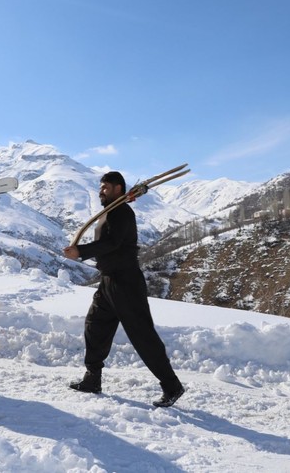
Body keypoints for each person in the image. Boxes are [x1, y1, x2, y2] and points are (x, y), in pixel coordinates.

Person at [63, 171, 185, 408]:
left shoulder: (122, 212)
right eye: (100, 187)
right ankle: (92, 378)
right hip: (108, 281)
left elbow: (112, 244)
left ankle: (172, 386)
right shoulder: (110, 210)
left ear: (119, 188)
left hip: (126, 282)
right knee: (95, 326)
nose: (101, 191)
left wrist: (82, 252)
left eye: (106, 187)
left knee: (142, 335)